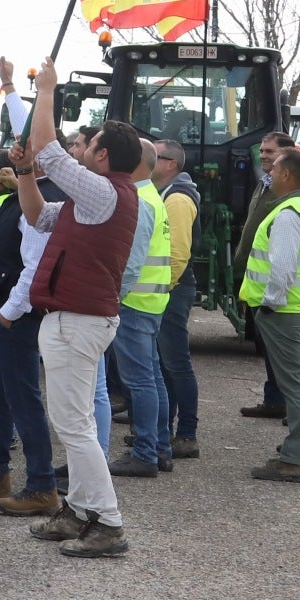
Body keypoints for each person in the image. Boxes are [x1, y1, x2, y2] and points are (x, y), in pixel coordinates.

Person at [13, 57, 140, 559]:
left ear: (104, 156)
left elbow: (49, 149)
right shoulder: (103, 196)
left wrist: (48, 91)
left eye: (86, 145)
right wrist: (25, 171)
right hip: (78, 319)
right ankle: (82, 511)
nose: (78, 150)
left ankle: (106, 521)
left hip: (77, 320)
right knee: (76, 420)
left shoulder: (104, 191)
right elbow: (37, 213)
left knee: (74, 425)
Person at [241, 149, 300, 483]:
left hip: (284, 311)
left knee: (295, 384)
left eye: (275, 168)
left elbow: (281, 267)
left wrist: (269, 302)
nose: (269, 172)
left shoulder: (289, 213)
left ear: (287, 176)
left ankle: (295, 460)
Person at [0, 137, 61, 516]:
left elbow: (34, 266)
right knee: (0, 395)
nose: (16, 157)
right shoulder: (32, 192)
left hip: (18, 315)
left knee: (24, 400)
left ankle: (40, 485)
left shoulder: (42, 199)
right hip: (12, 311)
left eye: (24, 154)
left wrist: (9, 312)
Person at [108, 136, 173, 479]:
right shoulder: (152, 196)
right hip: (149, 300)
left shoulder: (139, 199)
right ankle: (158, 446)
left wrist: (112, 297)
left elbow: (130, 263)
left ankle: (146, 451)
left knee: (141, 381)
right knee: (151, 377)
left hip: (134, 303)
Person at [236, 130, 300, 420]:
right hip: (256, 280)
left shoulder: (288, 195)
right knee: (266, 348)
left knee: (283, 356)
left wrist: (273, 295)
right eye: (262, 151)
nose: (263, 156)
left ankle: (288, 405)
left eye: (270, 152)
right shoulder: (264, 184)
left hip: (274, 290)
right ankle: (273, 399)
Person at [151, 139, 203, 457]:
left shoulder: (178, 198)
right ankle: (163, 431)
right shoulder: (166, 193)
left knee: (176, 362)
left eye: (154, 157)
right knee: (165, 363)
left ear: (170, 163)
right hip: (169, 288)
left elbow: (178, 252)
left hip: (172, 288)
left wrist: (163, 287)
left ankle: (186, 434)